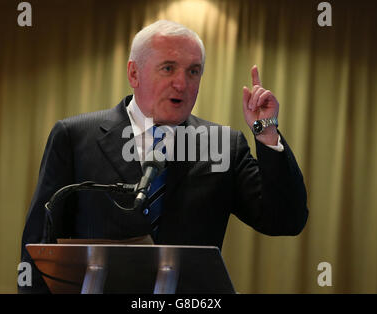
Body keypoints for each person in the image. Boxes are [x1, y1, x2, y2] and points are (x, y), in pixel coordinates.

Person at [19, 20, 308, 293]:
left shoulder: (223, 144)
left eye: (193, 71)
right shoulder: (75, 137)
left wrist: (266, 131)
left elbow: (285, 220)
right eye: (168, 68)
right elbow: (39, 245)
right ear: (134, 73)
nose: (182, 83)